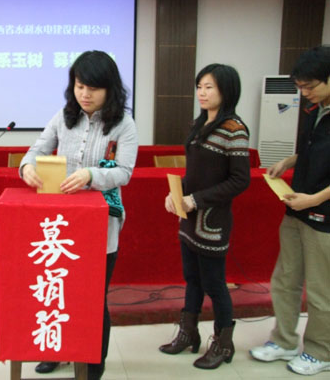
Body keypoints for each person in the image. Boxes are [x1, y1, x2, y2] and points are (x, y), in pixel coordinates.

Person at [20, 50, 138, 380]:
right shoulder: (64, 116)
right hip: (61, 224)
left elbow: (125, 172)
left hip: (101, 224)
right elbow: (36, 149)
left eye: (93, 88)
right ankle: (57, 351)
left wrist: (90, 175)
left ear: (110, 89)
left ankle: (92, 365)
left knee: (93, 297)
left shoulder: (123, 124)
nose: (84, 94)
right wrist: (27, 167)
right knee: (58, 291)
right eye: (79, 86)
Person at [159, 63, 250, 369]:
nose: (202, 92)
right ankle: (189, 333)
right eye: (199, 86)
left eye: (209, 87)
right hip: (189, 218)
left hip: (213, 221)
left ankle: (223, 344)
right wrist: (176, 194)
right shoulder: (199, 125)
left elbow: (240, 180)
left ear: (227, 90)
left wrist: (195, 199)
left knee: (214, 284)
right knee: (192, 278)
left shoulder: (234, 129)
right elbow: (196, 174)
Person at [249, 45, 330, 376]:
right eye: (300, 87)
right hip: (296, 209)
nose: (304, 92)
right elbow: (313, 151)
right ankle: (283, 341)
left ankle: (320, 351)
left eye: (310, 86)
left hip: (323, 218)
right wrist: (288, 161)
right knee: (285, 280)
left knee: (321, 290)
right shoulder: (315, 110)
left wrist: (315, 200)